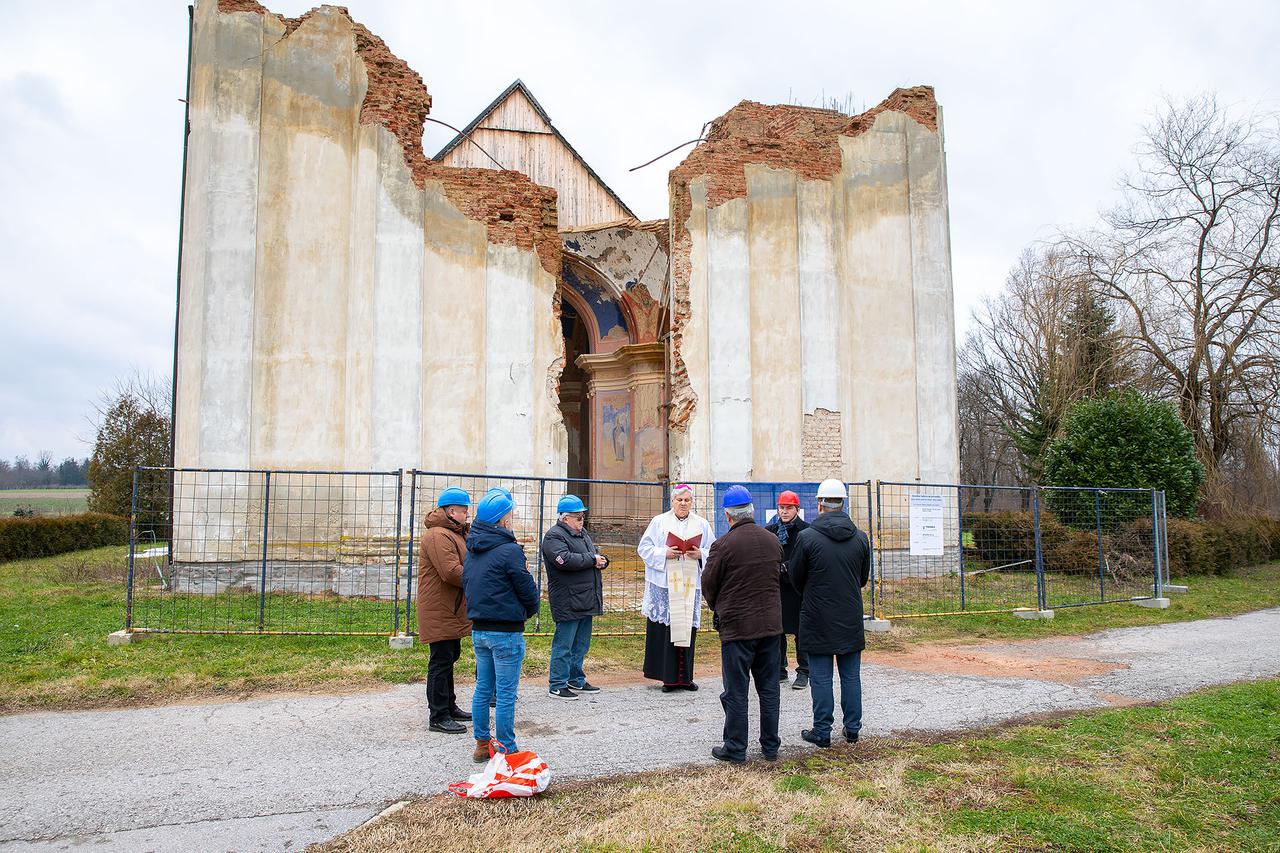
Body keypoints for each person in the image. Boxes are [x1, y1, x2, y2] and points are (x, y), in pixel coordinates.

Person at [702, 485, 785, 763]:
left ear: (728, 516)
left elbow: (709, 585)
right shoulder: (772, 540)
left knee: (737, 690)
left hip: (737, 628)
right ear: (751, 511)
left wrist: (719, 607)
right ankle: (770, 746)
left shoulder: (723, 546)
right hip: (771, 627)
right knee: (769, 688)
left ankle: (736, 748)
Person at [788, 478, 872, 748]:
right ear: (843, 503)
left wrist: (813, 593)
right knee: (850, 676)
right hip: (849, 616)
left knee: (821, 677)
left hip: (817, 616)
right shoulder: (860, 538)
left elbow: (796, 577)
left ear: (819, 504)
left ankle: (822, 731)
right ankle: (853, 729)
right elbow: (861, 579)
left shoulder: (807, 537)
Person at [462, 489, 540, 762]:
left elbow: (467, 584)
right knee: (506, 693)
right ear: (502, 520)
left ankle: (482, 744)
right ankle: (507, 747)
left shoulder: (472, 550)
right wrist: (529, 610)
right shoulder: (509, 551)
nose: (511, 518)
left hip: (479, 629)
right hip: (506, 631)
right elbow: (527, 588)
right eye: (510, 514)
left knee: (483, 688)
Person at [637, 483, 715, 691]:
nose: (683, 503)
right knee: (666, 629)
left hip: (689, 584)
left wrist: (701, 554)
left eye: (687, 500)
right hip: (666, 585)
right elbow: (644, 548)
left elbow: (713, 550)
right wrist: (664, 553)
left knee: (686, 629)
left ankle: (685, 678)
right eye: (679, 500)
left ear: (691, 502)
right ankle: (668, 679)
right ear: (672, 501)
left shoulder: (701, 524)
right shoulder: (659, 522)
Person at [540, 494, 609, 699]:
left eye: (582, 517)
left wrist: (603, 560)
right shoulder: (554, 537)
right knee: (564, 645)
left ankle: (575, 679)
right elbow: (564, 560)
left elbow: (592, 555)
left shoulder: (582, 534)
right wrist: (592, 559)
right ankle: (557, 683)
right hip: (568, 600)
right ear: (564, 518)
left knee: (580, 644)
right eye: (578, 517)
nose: (582, 521)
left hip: (585, 598)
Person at [418, 486, 474, 734]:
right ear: (451, 511)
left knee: (450, 657)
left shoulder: (453, 533)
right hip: (439, 608)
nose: (467, 515)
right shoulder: (438, 535)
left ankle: (449, 706)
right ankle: (438, 715)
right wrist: (480, 577)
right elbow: (451, 572)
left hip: (449, 607)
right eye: (464, 511)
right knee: (440, 661)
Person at [765, 490, 811, 689]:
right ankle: (780, 668)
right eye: (781, 507)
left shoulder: (806, 531)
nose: (784, 512)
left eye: (788, 508)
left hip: (798, 588)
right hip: (776, 588)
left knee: (801, 631)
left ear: (797, 509)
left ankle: (804, 671)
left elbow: (807, 558)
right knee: (777, 630)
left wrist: (787, 567)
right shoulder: (771, 530)